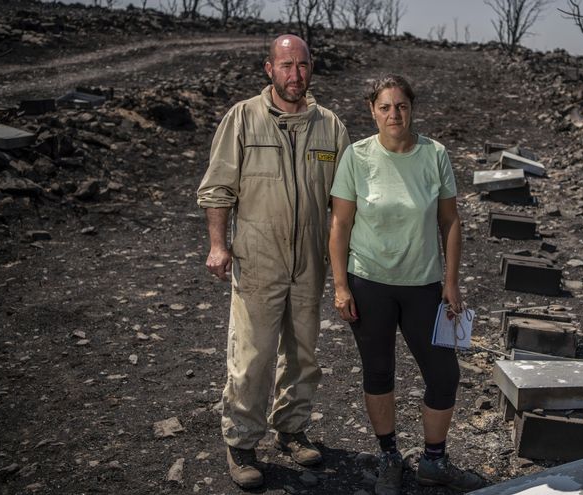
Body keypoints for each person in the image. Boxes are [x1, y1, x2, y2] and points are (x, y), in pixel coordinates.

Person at [197, 34, 350, 489]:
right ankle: (241, 442)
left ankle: (291, 429)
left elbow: (345, 203)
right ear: (269, 69)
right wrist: (219, 244)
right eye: (286, 65)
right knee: (253, 354)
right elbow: (218, 186)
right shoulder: (243, 118)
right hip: (258, 255)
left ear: (311, 68)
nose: (295, 75)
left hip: (310, 258)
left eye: (302, 66)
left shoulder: (330, 127)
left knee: (303, 353)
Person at [329, 74, 485, 494]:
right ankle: (389, 457)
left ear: (412, 108)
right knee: (379, 372)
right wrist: (341, 285)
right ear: (372, 111)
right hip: (369, 284)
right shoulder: (357, 157)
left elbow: (450, 221)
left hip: (424, 285)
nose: (394, 114)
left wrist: (451, 282)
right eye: (385, 107)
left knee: (444, 374)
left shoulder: (435, 154)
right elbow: (340, 224)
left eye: (401, 106)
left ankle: (434, 460)